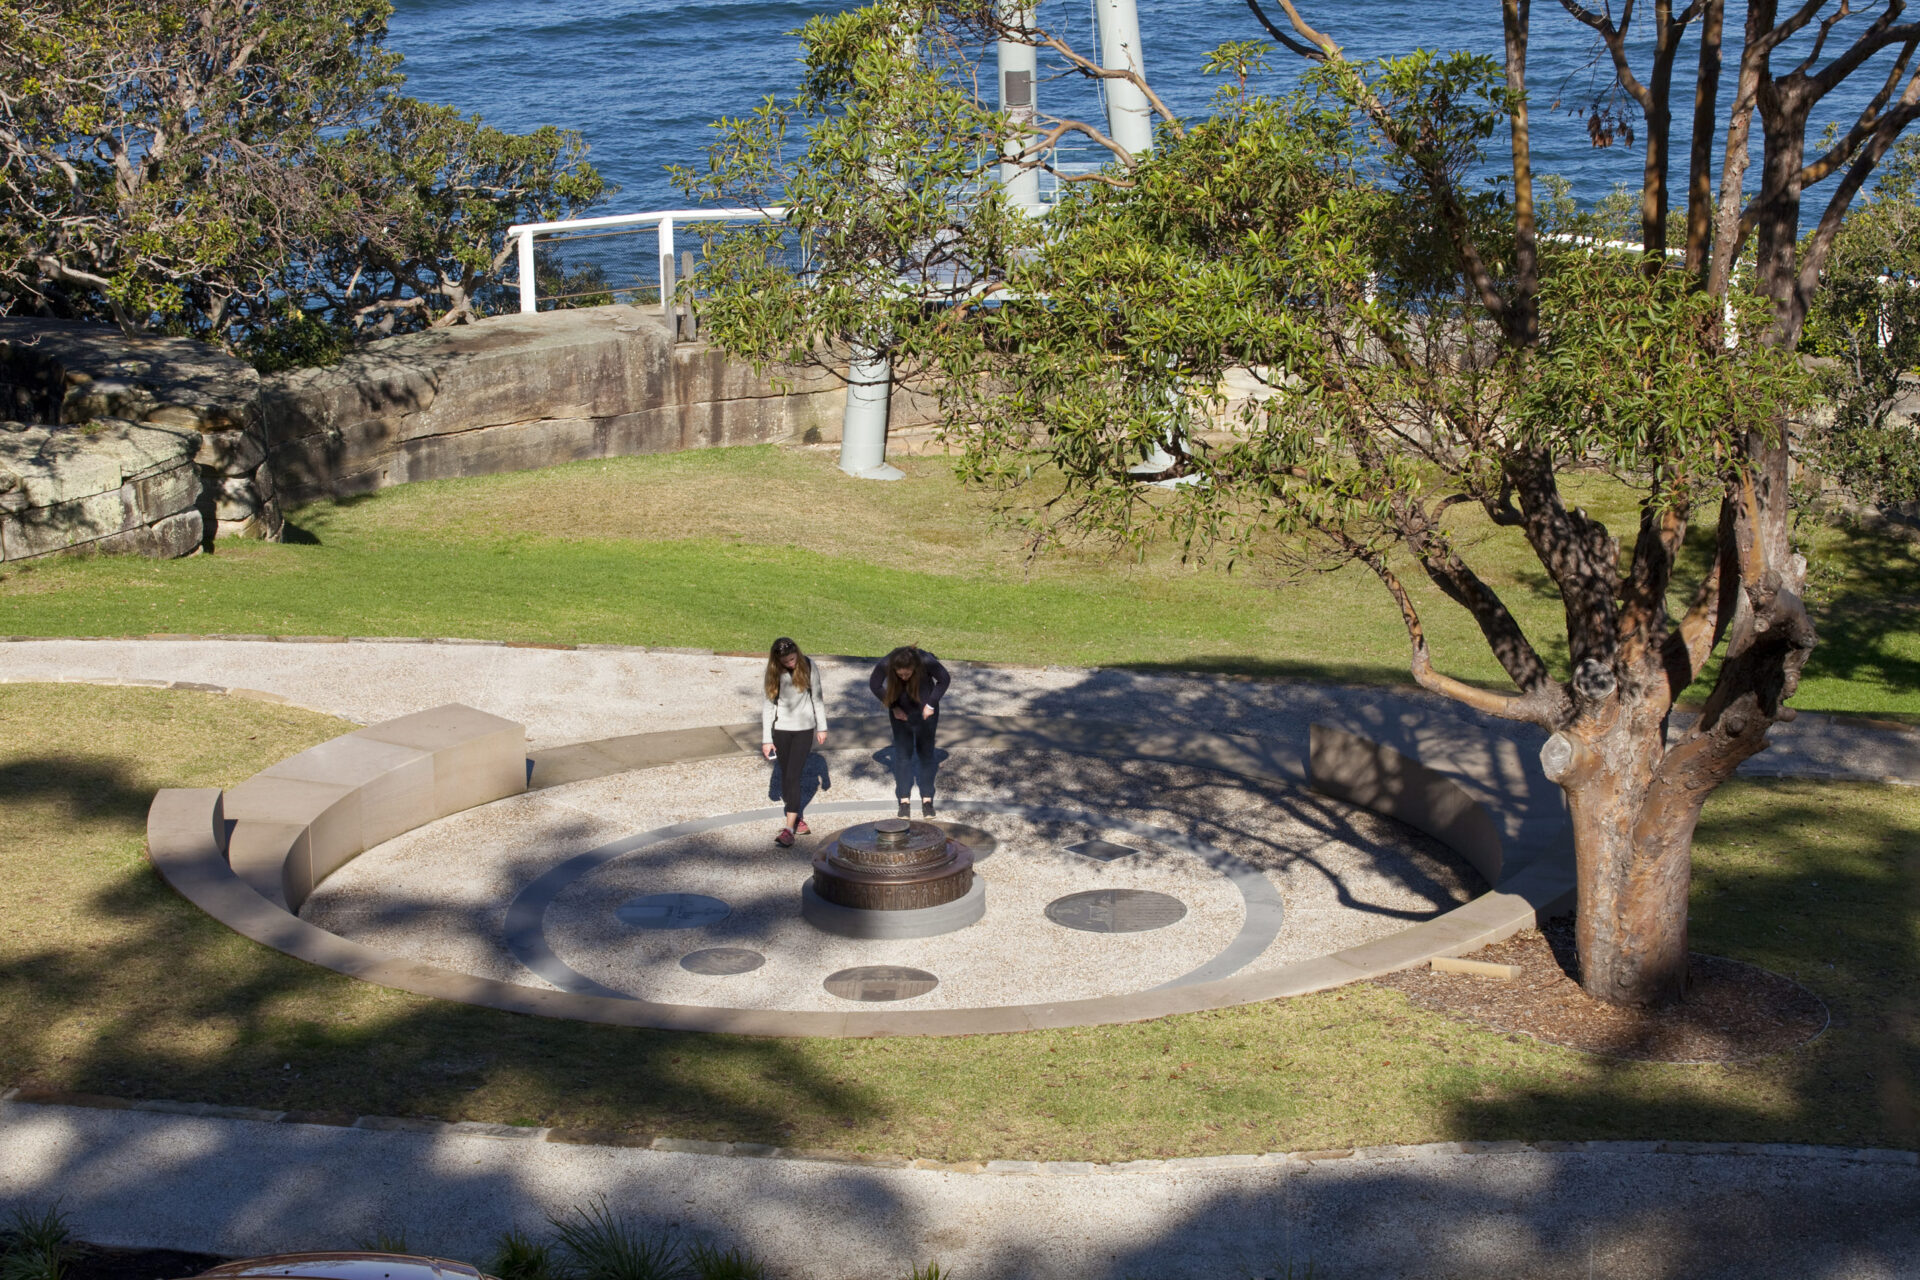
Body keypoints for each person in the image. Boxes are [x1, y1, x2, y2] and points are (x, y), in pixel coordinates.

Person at [869, 644, 950, 819]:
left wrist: (931, 704)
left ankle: (927, 800)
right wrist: (894, 707)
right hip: (900, 714)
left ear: (914, 667)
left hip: (926, 712)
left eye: (908, 673)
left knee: (926, 754)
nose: (904, 677)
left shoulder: (925, 660)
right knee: (903, 754)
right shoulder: (887, 662)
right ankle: (904, 801)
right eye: (900, 674)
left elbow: (944, 679)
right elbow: (874, 684)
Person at [762, 636, 827, 847]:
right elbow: (768, 705)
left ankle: (789, 829)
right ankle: (797, 817)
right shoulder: (773, 672)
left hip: (804, 729)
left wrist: (822, 726)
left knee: (792, 775)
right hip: (781, 729)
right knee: (785, 774)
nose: (791, 663)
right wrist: (766, 739)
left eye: (792, 659)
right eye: (786, 661)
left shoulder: (808, 665)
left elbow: (817, 697)